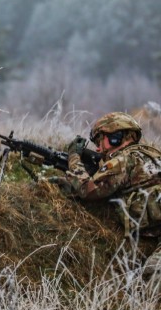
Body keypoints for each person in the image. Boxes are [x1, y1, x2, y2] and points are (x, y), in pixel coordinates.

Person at [54, 112, 161, 279]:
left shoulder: (123, 160)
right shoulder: (153, 156)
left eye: (99, 140)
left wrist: (74, 157)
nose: (98, 148)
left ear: (116, 136)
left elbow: (87, 190)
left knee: (153, 279)